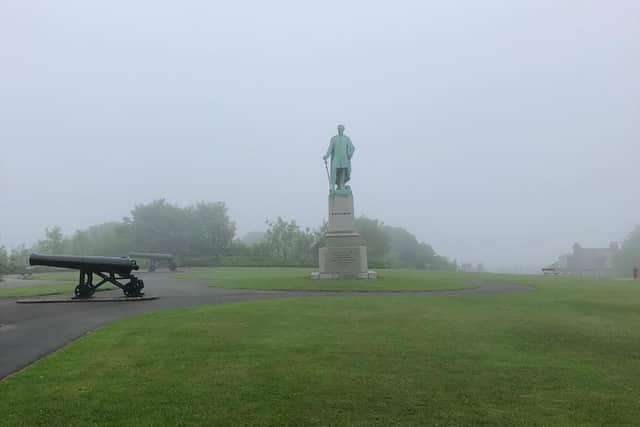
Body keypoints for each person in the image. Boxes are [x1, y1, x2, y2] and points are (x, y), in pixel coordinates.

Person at [323, 124, 355, 191]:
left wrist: (349, 154)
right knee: (334, 170)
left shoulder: (346, 139)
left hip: (344, 158)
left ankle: (342, 185)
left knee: (342, 172)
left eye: (341, 128)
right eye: (339, 129)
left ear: (343, 130)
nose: (340, 130)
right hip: (336, 158)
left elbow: (352, 147)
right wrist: (326, 156)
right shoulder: (334, 139)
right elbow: (330, 149)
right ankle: (332, 185)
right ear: (338, 130)